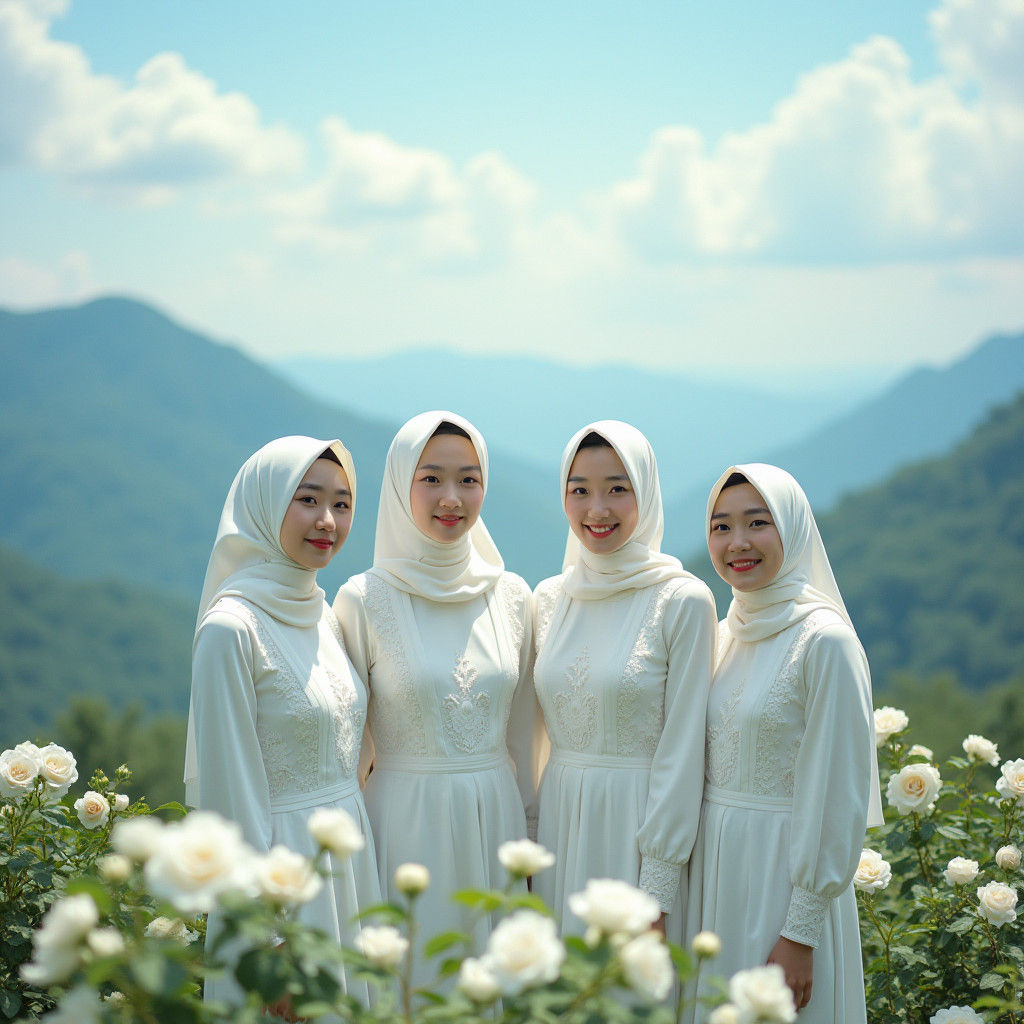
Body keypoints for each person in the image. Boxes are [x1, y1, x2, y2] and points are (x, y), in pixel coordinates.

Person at [333, 411, 539, 987]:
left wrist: (530, 842)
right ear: (401, 486)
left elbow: (524, 737)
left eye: (468, 479)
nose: (452, 498)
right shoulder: (362, 600)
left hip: (496, 820)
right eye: (431, 479)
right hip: (403, 825)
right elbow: (345, 750)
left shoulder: (512, 596)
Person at [185, 436, 381, 1012]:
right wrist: (267, 944)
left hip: (346, 869)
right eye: (308, 499)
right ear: (265, 506)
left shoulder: (321, 611)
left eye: (342, 504)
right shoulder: (231, 630)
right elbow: (229, 801)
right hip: (281, 882)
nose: (328, 521)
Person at [686, 464, 882, 1021]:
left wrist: (800, 932)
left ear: (793, 530)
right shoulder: (724, 634)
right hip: (715, 874)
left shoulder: (826, 643)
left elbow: (839, 797)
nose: (737, 542)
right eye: (721, 527)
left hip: (785, 882)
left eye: (757, 522)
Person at [532, 421, 717, 943]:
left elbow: (684, 754)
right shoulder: (550, 598)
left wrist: (656, 888)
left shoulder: (681, 600)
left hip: (636, 831)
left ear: (647, 492)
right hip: (558, 825)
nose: (597, 509)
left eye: (617, 489)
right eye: (580, 491)